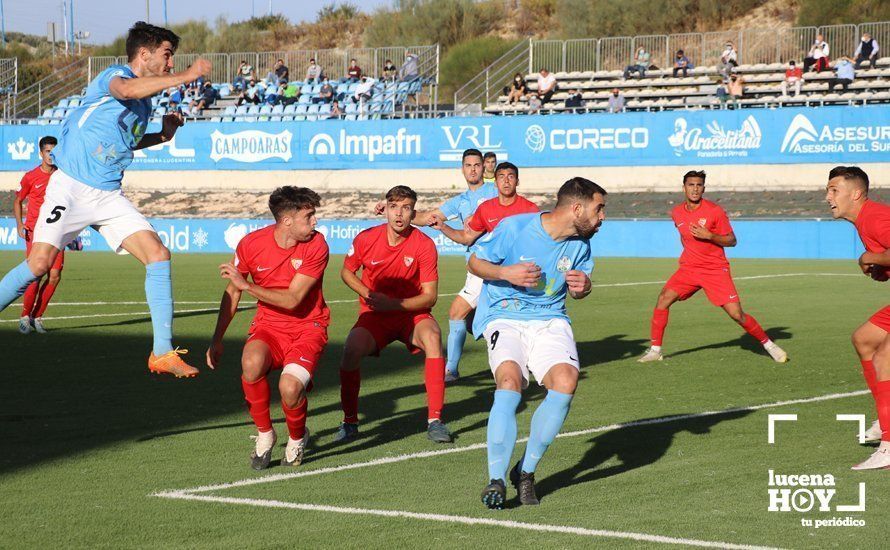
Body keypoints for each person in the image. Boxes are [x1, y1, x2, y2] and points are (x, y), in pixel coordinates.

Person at [0, 22, 210, 376]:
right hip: (70, 186)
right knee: (39, 266)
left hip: (108, 194)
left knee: (158, 254)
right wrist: (186, 76)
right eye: (167, 55)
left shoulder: (145, 104)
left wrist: (162, 135)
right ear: (144, 54)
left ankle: (161, 352)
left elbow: (125, 141)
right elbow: (125, 90)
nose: (171, 63)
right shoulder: (114, 76)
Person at [471, 177, 604, 508]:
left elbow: (580, 289)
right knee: (510, 382)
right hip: (504, 315)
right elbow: (474, 262)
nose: (602, 217)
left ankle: (525, 472)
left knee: (565, 382)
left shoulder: (581, 245)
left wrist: (583, 287)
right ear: (577, 208)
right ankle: (497, 479)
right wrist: (506, 274)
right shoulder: (515, 228)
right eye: (598, 209)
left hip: (550, 319)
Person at [206, 187, 328, 470]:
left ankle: (297, 438)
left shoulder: (317, 245)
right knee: (251, 362)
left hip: (308, 327)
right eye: (309, 216)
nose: (315, 222)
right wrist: (217, 339)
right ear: (287, 220)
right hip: (269, 326)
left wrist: (247, 285)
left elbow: (293, 299)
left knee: (290, 387)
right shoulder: (250, 244)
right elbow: (232, 293)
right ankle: (265, 435)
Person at [336, 185, 453, 444]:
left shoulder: (424, 245)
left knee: (433, 338)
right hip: (376, 314)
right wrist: (368, 294)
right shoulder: (366, 238)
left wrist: (394, 304)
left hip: (409, 313)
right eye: (393, 207)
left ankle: (435, 420)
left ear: (413, 213)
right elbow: (346, 272)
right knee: (351, 349)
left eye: (406, 208)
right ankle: (350, 421)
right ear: (385, 210)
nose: (399, 214)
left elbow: (430, 296)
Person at [638, 171, 788, 364]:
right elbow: (685, 237)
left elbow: (732, 241)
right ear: (684, 187)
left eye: (699, 185)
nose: (695, 189)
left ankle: (769, 345)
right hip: (689, 268)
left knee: (736, 314)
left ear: (704, 188)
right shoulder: (677, 212)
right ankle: (655, 350)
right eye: (691, 185)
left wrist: (710, 236)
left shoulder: (715, 211)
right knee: (663, 299)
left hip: (714, 270)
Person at [374, 149, 497, 381]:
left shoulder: (495, 192)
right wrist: (395, 206)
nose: (472, 169)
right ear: (462, 169)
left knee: (457, 312)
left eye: (477, 165)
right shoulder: (459, 201)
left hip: (494, 264)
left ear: (484, 168)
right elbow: (427, 217)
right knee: (473, 320)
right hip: (476, 268)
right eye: (468, 165)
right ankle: (504, 352)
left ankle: (451, 369)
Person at [824, 166, 890, 470]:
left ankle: (888, 445)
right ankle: (885, 416)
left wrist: (869, 258)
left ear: (856, 193)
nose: (828, 197)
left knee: (885, 359)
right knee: (864, 340)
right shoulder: (864, 221)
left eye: (834, 190)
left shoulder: (875, 217)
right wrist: (881, 269)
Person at [13, 136, 64, 334]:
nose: (51, 156)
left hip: (57, 231)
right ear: (41, 153)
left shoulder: (62, 176)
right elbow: (18, 201)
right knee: (35, 274)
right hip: (35, 232)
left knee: (55, 275)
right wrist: (19, 224)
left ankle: (37, 316)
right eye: (47, 152)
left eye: (54, 152)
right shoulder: (30, 176)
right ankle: (25, 316)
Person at [429, 162, 539, 251]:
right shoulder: (485, 208)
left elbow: (539, 241)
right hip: (495, 269)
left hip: (522, 266)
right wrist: (443, 227)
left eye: (511, 177)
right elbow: (467, 238)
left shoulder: (530, 209)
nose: (506, 181)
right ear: (495, 183)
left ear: (517, 182)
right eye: (501, 177)